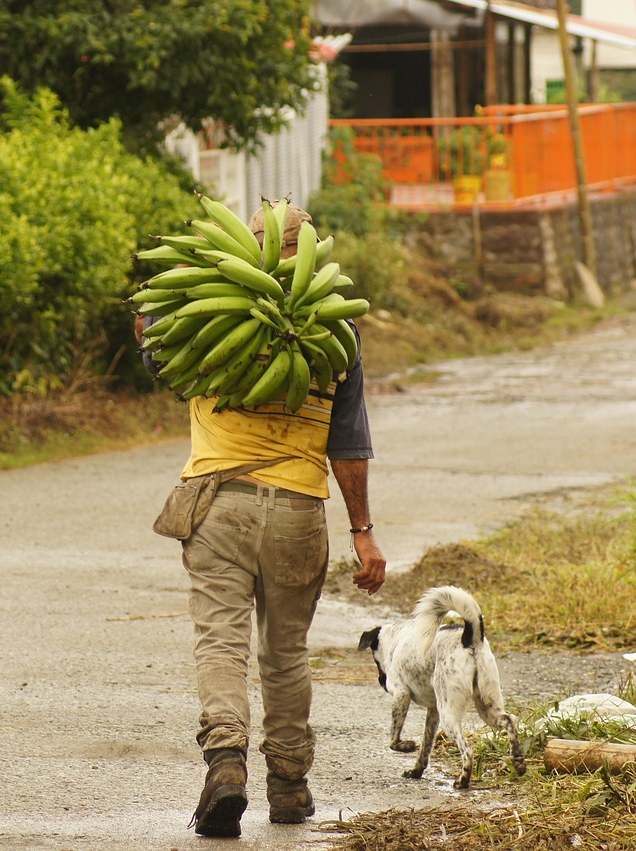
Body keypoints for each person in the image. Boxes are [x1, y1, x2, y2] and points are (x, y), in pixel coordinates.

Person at [137, 202, 386, 838]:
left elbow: (156, 355)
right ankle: (290, 786)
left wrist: (149, 324)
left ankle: (225, 762)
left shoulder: (207, 316)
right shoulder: (337, 335)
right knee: (283, 655)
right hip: (299, 511)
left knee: (220, 641)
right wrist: (362, 529)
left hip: (217, 504)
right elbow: (349, 444)